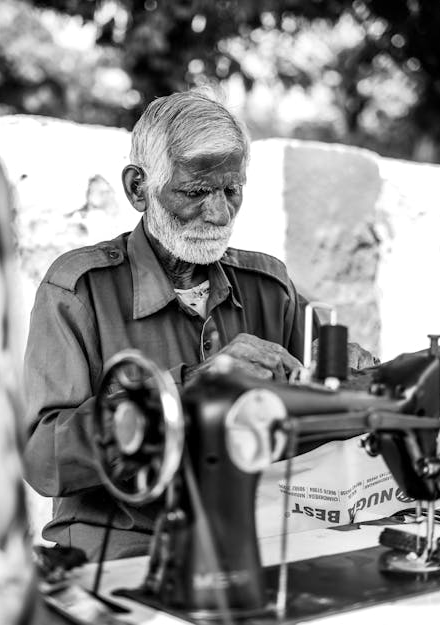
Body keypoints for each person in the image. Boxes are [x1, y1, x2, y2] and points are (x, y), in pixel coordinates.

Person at [23, 90, 375, 561]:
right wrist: (184, 391)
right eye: (195, 192)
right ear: (138, 188)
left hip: (250, 538)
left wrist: (362, 383)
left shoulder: (269, 288)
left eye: (232, 190)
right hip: (123, 553)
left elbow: (330, 406)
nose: (220, 213)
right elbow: (46, 461)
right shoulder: (79, 291)